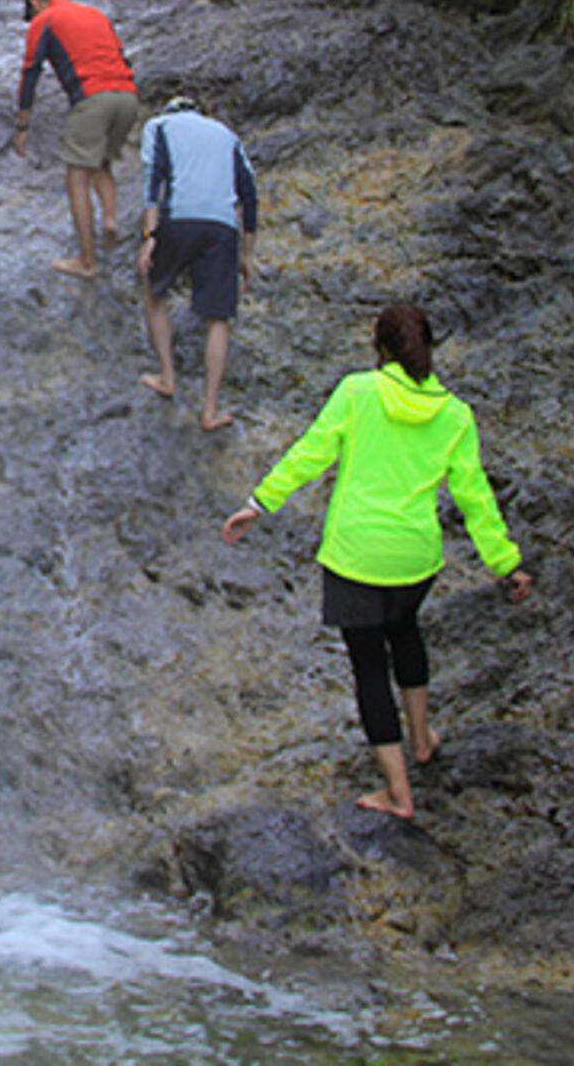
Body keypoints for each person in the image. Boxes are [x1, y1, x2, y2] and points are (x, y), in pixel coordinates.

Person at [220, 303, 534, 820]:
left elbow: (310, 452)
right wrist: (505, 563)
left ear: (380, 351)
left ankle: (397, 791)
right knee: (406, 632)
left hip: (355, 554)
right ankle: (422, 737)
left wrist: (259, 503)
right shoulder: (455, 414)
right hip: (415, 557)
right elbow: (476, 497)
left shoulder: (357, 393)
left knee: (369, 666)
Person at [137, 96, 258, 430]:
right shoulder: (226, 134)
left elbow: (154, 180)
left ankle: (167, 376)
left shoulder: (158, 126)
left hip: (178, 219)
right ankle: (210, 410)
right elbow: (249, 195)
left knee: (155, 296)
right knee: (217, 319)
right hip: (221, 227)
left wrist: (149, 236)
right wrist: (247, 255)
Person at [11, 0, 140, 280]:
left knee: (76, 176)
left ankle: (87, 261)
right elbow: (122, 57)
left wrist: (23, 125)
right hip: (127, 97)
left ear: (34, 2)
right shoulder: (94, 13)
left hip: (93, 99)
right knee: (101, 164)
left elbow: (30, 72)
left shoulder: (45, 20)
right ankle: (109, 218)